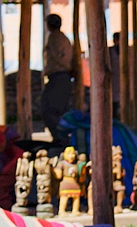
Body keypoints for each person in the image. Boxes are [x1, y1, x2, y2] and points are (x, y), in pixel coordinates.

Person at [41, 14, 74, 144]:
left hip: (59, 76)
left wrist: (68, 68)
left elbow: (58, 57)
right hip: (62, 77)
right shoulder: (63, 37)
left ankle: (61, 139)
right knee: (58, 110)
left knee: (48, 109)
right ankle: (62, 138)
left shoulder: (54, 37)